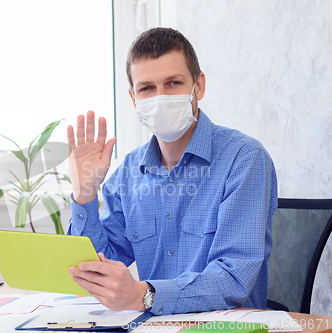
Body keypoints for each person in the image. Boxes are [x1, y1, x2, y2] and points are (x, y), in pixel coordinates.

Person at [66, 27, 278, 315]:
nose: (161, 97)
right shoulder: (128, 171)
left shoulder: (244, 159)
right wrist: (85, 194)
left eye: (173, 83)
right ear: (133, 98)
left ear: (198, 86)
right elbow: (99, 266)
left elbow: (233, 278)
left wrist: (145, 295)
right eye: (147, 88)